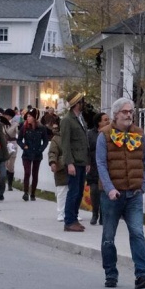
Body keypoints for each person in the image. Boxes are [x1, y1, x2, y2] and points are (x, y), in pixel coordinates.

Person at [96, 97, 145, 289]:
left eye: (131, 112)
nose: (129, 115)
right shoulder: (104, 135)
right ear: (116, 114)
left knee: (137, 233)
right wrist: (110, 189)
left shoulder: (139, 134)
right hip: (113, 195)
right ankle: (110, 273)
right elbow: (101, 164)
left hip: (134, 194)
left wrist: (143, 185)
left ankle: (141, 275)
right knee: (108, 236)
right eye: (125, 112)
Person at [60, 93, 90, 232]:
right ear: (77, 104)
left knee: (78, 193)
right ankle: (69, 221)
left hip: (82, 161)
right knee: (73, 192)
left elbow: (85, 141)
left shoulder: (80, 118)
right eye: (82, 102)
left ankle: (75, 218)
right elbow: (65, 143)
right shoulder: (67, 120)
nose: (84, 104)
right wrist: (69, 163)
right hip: (74, 162)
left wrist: (87, 161)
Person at [19, 109, 49, 202]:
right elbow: (19, 140)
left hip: (37, 153)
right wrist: (24, 146)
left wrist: (41, 149)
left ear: (34, 118)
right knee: (27, 172)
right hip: (27, 153)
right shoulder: (24, 127)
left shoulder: (42, 128)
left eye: (30, 116)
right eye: (27, 116)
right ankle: (25, 192)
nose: (28, 118)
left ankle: (33, 193)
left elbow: (46, 141)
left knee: (35, 173)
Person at [87, 112, 111, 224]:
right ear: (99, 122)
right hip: (93, 166)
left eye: (108, 119)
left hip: (106, 167)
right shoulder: (90, 134)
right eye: (105, 119)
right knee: (94, 191)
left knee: (104, 192)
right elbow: (86, 150)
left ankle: (103, 216)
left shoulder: (111, 133)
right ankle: (95, 214)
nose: (108, 121)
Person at [47, 120, 69, 220]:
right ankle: (61, 212)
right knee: (62, 190)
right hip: (61, 167)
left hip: (73, 166)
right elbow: (52, 152)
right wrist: (53, 162)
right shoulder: (56, 139)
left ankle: (72, 212)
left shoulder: (73, 137)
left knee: (73, 191)